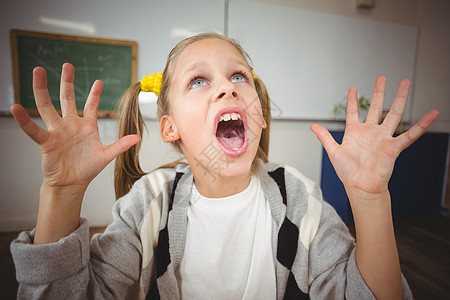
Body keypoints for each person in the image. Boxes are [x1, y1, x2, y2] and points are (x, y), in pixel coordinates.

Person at [10, 32, 439, 299]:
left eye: (239, 78)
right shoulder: (150, 203)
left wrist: (370, 200)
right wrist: (61, 195)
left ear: (261, 114)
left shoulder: (298, 198)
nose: (226, 90)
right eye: (199, 81)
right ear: (170, 126)